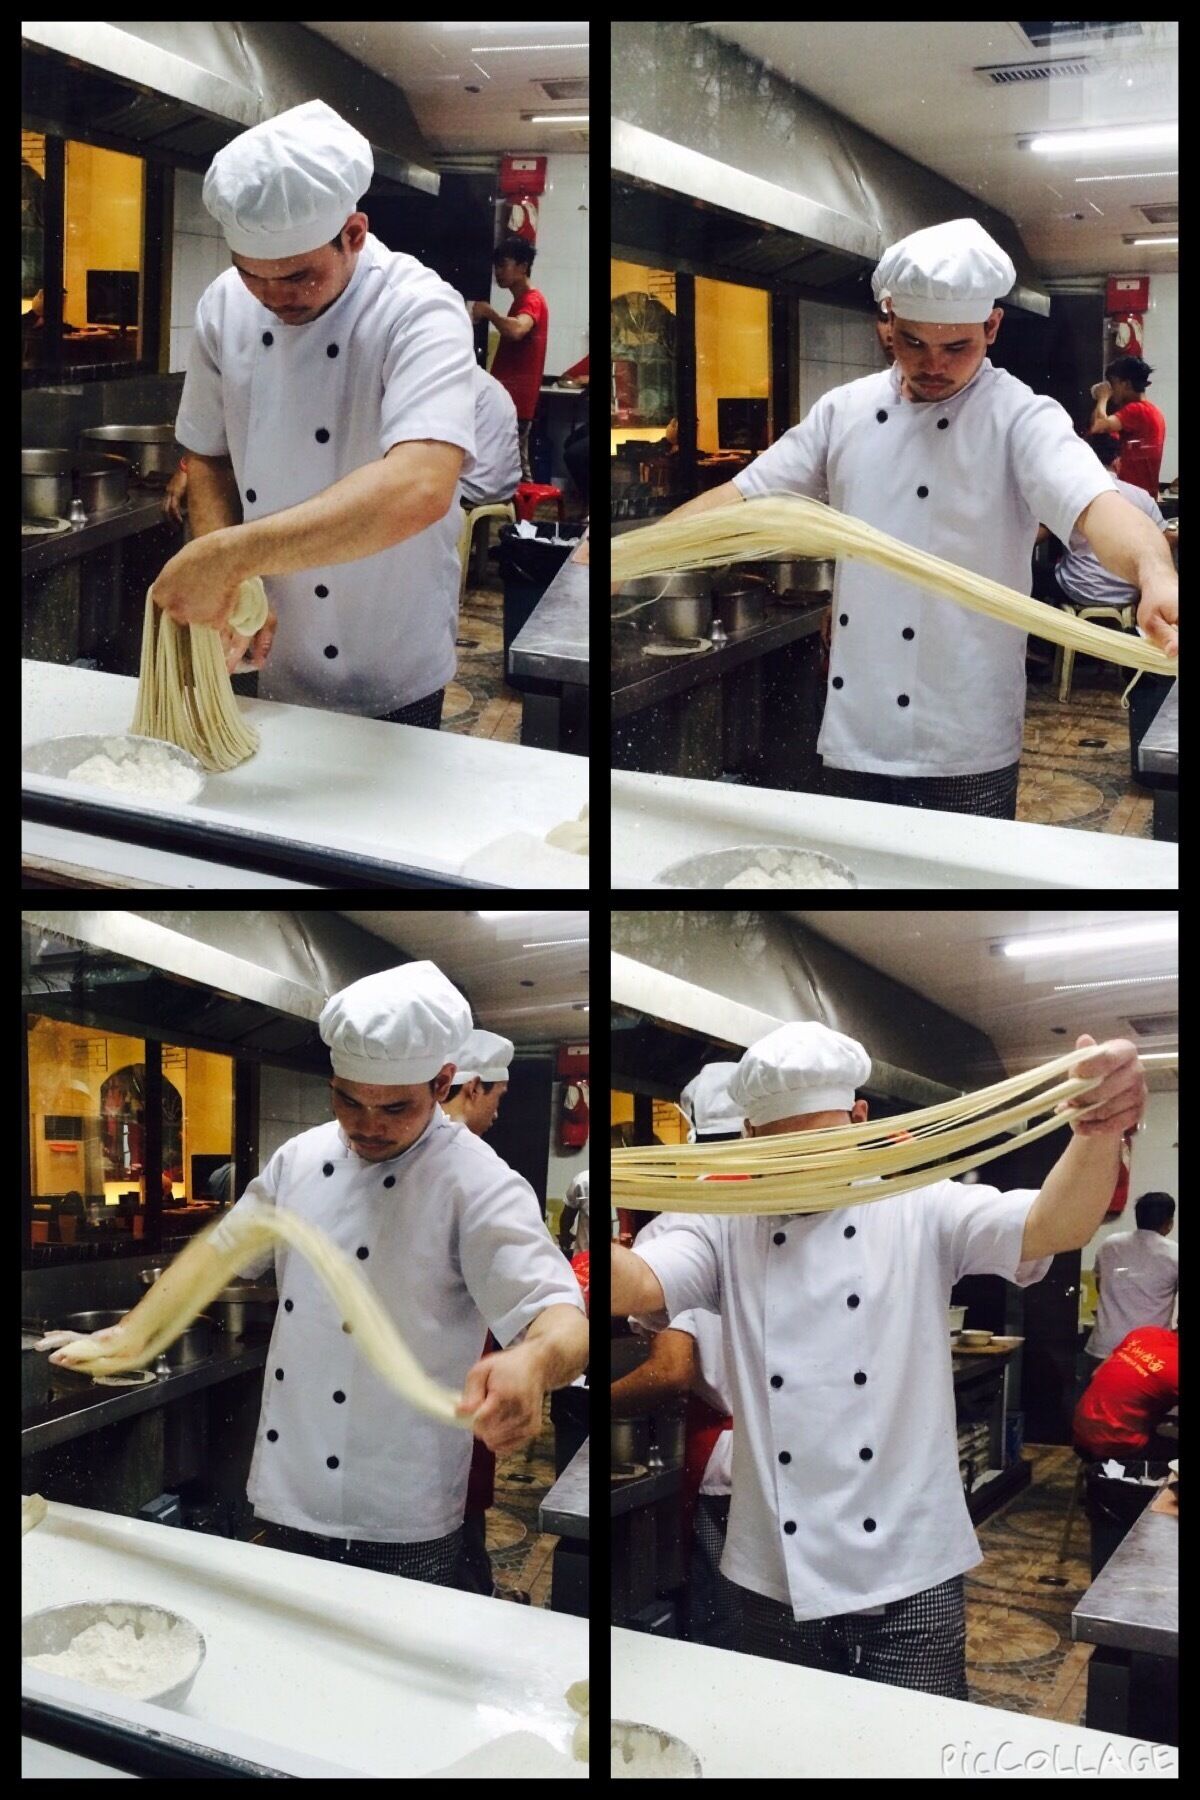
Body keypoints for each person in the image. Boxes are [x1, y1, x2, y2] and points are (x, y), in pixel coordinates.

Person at [611, 1020, 1148, 1696]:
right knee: (784, 1753)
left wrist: (1096, 1135)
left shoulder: (918, 1203)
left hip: (911, 1572)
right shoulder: (723, 1225)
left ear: (859, 1120)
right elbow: (643, 1281)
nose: (804, 1171)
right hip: (775, 1577)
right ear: (750, 1137)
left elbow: (1054, 1223)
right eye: (782, 1153)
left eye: (822, 1146)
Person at [41, 962, 587, 1588]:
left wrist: (534, 1363)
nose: (366, 1124)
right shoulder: (299, 1159)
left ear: (441, 1083)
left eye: (393, 1107)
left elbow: (563, 1321)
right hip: (286, 1488)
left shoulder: (477, 1181)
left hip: (398, 1512)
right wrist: (127, 1334)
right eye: (348, 1099)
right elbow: (218, 1254)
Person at [650, 217, 1178, 818]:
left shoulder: (1020, 417)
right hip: (858, 724)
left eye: (958, 347)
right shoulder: (843, 412)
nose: (934, 365)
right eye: (912, 342)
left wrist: (1154, 571)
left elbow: (1097, 506)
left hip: (963, 733)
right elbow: (746, 495)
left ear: (993, 326)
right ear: (886, 326)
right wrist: (634, 551)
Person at [155, 99, 478, 732]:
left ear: (353, 234)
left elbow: (420, 485)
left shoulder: (419, 309)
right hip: (270, 645)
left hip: (388, 649)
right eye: (254, 276)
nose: (274, 300)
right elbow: (210, 456)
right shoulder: (224, 305)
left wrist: (231, 557)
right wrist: (236, 583)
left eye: (298, 276)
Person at [615, 1062, 741, 1651]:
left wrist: (596, 1401)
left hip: (732, 1470)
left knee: (729, 1624)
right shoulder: (807, 1208)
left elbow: (672, 1370)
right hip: (826, 1467)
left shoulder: (681, 1227)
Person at [1074, 1324, 1178, 1577]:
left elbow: (1098, 1373)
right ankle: (1155, 1555)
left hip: (1080, 1431)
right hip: (1117, 1449)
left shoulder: (1145, 1333)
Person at [1053, 435, 1174, 614]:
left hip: (1077, 590)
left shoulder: (1069, 495)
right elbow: (1166, 538)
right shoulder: (1141, 496)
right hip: (1126, 596)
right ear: (1117, 462)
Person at [470, 237, 549, 482]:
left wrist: (489, 312)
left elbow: (517, 330)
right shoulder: (521, 302)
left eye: (504, 265)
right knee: (509, 467)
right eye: (497, 266)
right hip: (510, 402)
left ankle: (523, 519)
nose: (498, 272)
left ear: (523, 267)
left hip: (516, 404)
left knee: (513, 471)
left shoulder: (532, 300)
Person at [1085, 1191, 1178, 1363]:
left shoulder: (1109, 1244)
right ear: (1169, 1223)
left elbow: (1100, 1284)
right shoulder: (1174, 1254)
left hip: (1104, 1347)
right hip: (1148, 1353)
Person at [1088, 355, 1167, 499]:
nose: (1111, 390)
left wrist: (1103, 396)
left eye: (1113, 383)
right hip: (1144, 496)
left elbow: (1097, 426)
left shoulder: (1137, 410)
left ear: (1126, 384)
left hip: (1134, 497)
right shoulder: (1152, 412)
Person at [558, 1168, 590, 1255]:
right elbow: (568, 1216)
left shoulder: (584, 1179)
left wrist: (564, 1235)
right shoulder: (583, 1180)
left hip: (583, 1258)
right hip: (623, 1259)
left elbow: (567, 1216)